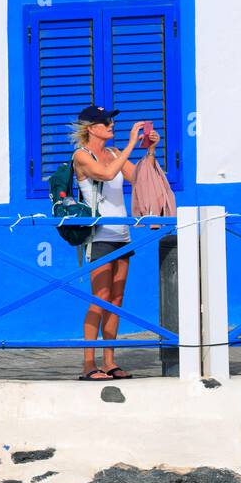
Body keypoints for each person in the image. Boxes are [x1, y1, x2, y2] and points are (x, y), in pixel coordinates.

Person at [71, 105, 160, 380]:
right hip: (98, 237)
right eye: (105, 122)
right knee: (99, 300)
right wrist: (132, 143)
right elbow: (107, 174)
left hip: (121, 234)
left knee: (117, 300)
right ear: (91, 128)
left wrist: (149, 150)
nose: (111, 125)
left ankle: (109, 360)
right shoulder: (82, 156)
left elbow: (137, 177)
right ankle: (89, 363)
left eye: (111, 121)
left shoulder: (113, 153)